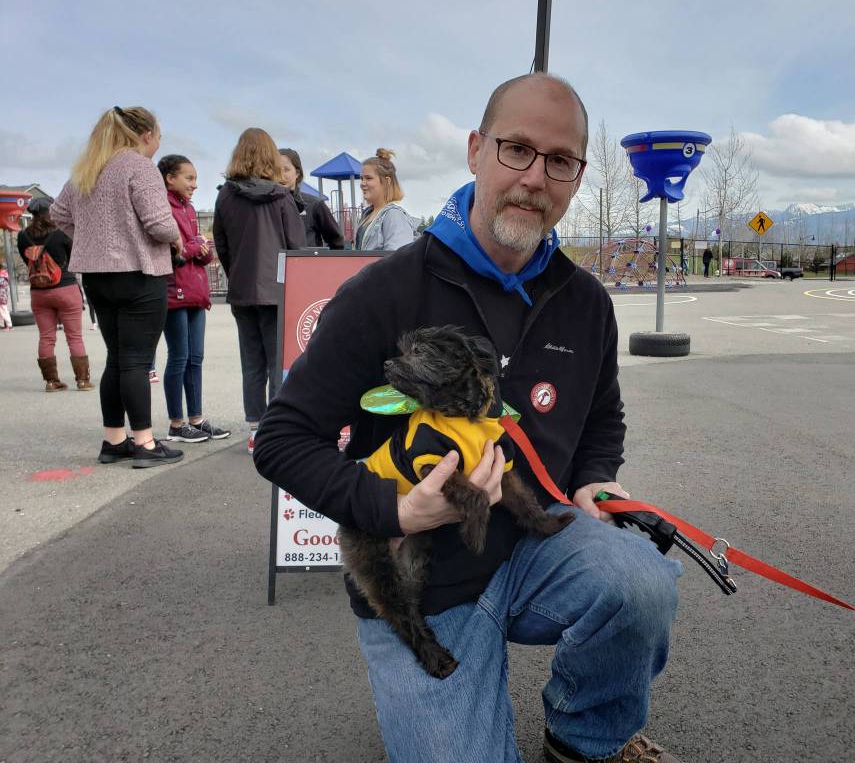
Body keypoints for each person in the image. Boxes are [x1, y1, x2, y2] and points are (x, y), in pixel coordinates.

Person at [254, 74, 683, 763]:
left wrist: (595, 480)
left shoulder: (585, 303)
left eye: (560, 161)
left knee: (640, 582)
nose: (535, 178)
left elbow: (603, 417)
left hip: (540, 542)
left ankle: (584, 737)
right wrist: (392, 508)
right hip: (422, 580)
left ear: (575, 176)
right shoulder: (383, 293)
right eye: (517, 149)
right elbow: (280, 440)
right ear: (476, 150)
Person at [50, 105, 184, 468]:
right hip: (139, 273)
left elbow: (58, 213)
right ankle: (144, 442)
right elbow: (159, 224)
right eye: (158, 137)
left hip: (97, 277)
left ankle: (114, 440)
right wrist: (177, 239)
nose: (157, 144)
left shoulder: (87, 168)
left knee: (117, 358)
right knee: (137, 362)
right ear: (144, 135)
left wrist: (88, 241)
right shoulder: (138, 166)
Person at [212, 128, 305, 454]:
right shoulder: (281, 197)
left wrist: (236, 271)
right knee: (278, 362)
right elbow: (297, 247)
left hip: (241, 289)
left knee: (251, 363)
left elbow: (220, 244)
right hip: (277, 290)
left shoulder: (225, 195)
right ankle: (277, 430)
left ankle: (255, 427)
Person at [157, 154, 231, 445]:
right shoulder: (163, 208)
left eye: (195, 178)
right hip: (174, 293)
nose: (194, 184)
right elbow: (168, 254)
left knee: (195, 359)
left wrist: (203, 250)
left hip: (195, 293)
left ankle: (196, 419)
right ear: (169, 178)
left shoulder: (187, 208)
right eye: (189, 178)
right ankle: (176, 423)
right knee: (179, 358)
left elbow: (198, 252)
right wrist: (193, 247)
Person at [16, 197, 93, 391]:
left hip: (39, 292)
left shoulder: (23, 236)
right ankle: (82, 380)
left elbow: (29, 263)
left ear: (32, 214)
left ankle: (51, 382)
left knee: (46, 337)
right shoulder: (62, 233)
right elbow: (74, 258)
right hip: (65, 288)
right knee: (74, 337)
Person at [278, 148, 345, 248]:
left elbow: (337, 241)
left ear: (297, 173)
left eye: (286, 170)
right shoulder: (267, 206)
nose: (281, 175)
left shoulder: (314, 205)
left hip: (306, 262)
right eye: (276, 170)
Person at [355, 148, 417, 253]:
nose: (362, 183)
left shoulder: (394, 216)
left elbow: (398, 260)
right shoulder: (367, 214)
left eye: (368, 178)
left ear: (386, 181)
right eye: (361, 178)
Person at [0, 263, 11, 331]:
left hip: (1, 295)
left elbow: (1, 284)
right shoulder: (4, 275)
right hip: (2, 295)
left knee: (3, 310)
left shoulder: (2, 276)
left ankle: (9, 325)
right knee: (1, 310)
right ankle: (2, 325)